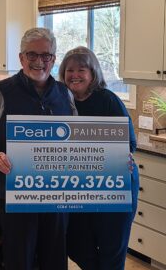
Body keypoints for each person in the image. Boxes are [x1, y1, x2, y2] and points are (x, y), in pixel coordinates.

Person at [0, 27, 76, 270]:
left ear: (53, 58)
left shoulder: (64, 93)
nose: (39, 62)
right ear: (21, 58)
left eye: (46, 55)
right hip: (16, 193)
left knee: (55, 259)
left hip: (57, 193)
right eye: (32, 55)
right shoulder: (1, 92)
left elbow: (76, 141)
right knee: (20, 259)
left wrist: (109, 159)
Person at [58, 46, 139, 270]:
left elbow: (129, 142)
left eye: (81, 70)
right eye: (69, 70)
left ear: (93, 73)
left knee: (112, 248)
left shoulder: (108, 100)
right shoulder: (60, 101)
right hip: (78, 187)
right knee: (75, 243)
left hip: (115, 185)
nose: (74, 75)